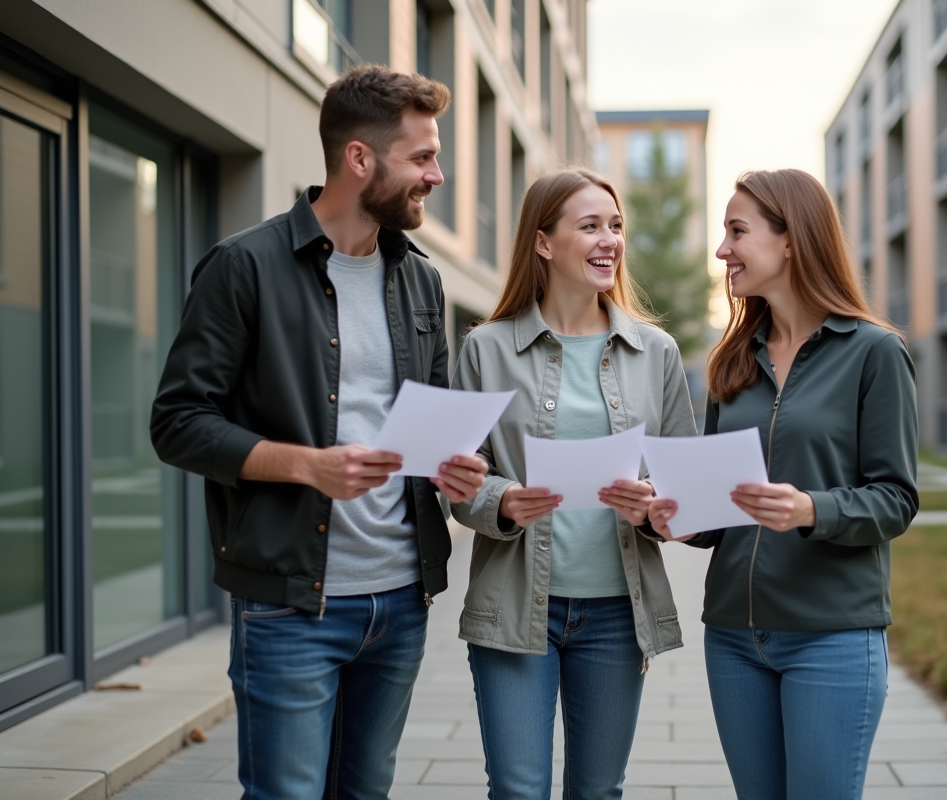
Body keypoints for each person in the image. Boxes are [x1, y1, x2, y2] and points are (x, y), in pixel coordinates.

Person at [150, 65, 489, 799]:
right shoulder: (244, 267)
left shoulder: (422, 280)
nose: (438, 174)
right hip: (289, 604)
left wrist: (456, 467)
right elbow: (178, 425)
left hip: (401, 598)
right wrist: (309, 466)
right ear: (358, 159)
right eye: (422, 157)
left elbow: (428, 425)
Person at [648, 169, 919, 800]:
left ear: (791, 239)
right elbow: (717, 515)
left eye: (737, 232)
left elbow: (897, 499)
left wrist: (808, 510)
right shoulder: (733, 359)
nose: (722, 251)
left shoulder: (874, 353)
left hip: (833, 637)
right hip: (736, 639)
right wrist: (671, 517)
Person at [450, 169, 696, 800]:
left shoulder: (657, 352)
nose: (609, 239)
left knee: (597, 790)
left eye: (615, 226)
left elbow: (685, 486)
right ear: (543, 242)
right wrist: (501, 499)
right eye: (590, 226)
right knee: (518, 788)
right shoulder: (485, 348)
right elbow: (452, 479)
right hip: (515, 606)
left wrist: (652, 505)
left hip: (618, 612)